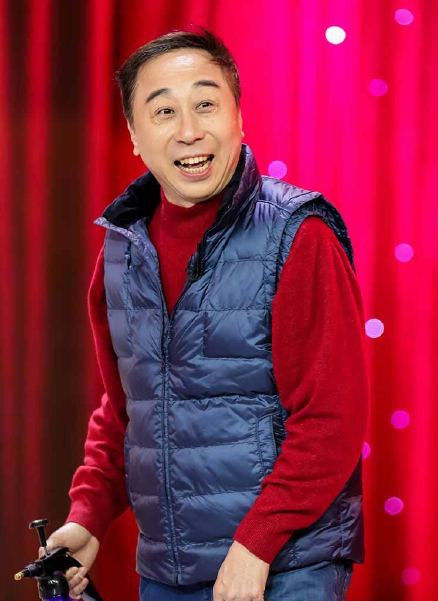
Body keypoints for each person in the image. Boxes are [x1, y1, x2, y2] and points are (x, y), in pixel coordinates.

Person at [40, 28, 369, 601]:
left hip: (285, 568)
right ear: (135, 135)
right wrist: (88, 516)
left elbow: (331, 419)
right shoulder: (123, 247)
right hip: (168, 569)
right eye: (164, 111)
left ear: (239, 117)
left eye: (206, 104)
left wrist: (256, 546)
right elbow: (130, 406)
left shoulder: (299, 234)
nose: (189, 130)